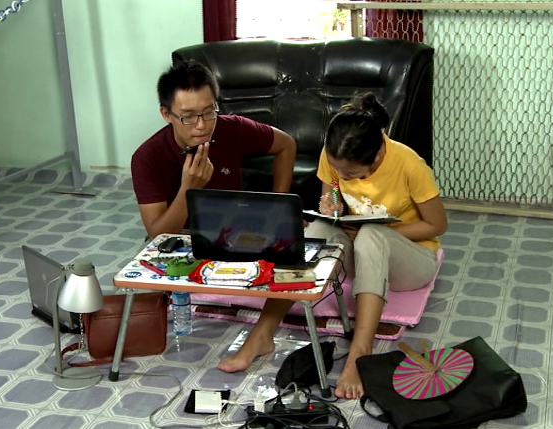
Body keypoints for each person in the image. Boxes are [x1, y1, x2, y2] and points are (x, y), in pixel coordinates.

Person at [218, 92, 447, 400]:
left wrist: (374, 229)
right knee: (317, 230)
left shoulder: (409, 164)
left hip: (412, 261)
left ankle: (360, 353)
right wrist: (331, 204)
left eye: (349, 174)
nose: (341, 175)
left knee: (372, 234)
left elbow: (436, 225)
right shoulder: (334, 153)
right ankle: (262, 334)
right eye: (337, 169)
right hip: (361, 251)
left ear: (376, 158)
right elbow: (333, 194)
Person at [131, 60, 296, 238]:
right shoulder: (147, 158)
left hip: (233, 231)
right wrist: (189, 188)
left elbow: (286, 144)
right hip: (183, 238)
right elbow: (158, 235)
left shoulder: (233, 128)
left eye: (209, 112)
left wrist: (278, 208)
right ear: (166, 114)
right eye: (188, 116)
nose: (202, 125)